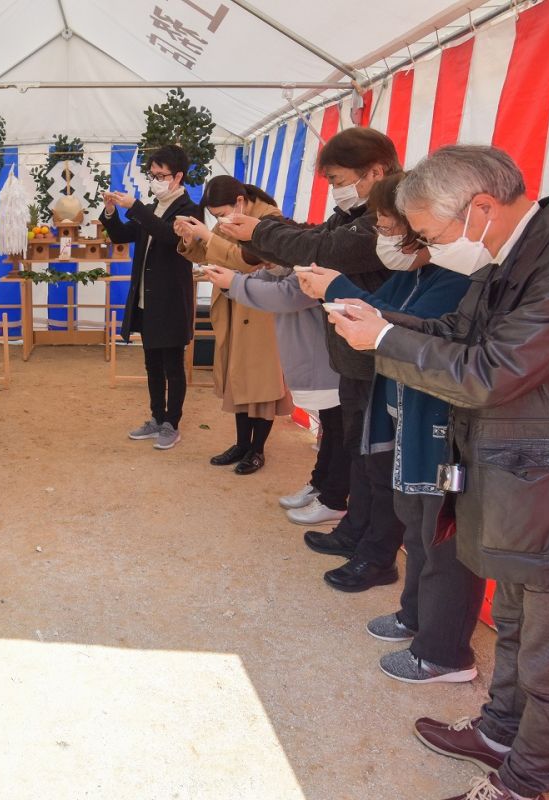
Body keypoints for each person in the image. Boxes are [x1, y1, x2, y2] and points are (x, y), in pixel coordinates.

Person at [328, 145, 549, 800]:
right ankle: (500, 729)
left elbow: (488, 373)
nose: (424, 245)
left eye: (429, 234)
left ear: (480, 208)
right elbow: (457, 330)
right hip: (531, 488)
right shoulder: (521, 255)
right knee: (513, 624)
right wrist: (384, 319)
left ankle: (521, 784)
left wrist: (384, 342)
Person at [298, 172, 481, 685]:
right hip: (407, 419)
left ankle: (444, 651)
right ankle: (416, 617)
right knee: (417, 527)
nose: (389, 243)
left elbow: (402, 327)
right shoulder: (421, 275)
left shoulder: (462, 279)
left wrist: (338, 290)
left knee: (441, 539)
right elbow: (390, 317)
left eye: (394, 230)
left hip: (440, 431)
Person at [224, 127, 405, 592]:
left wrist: (260, 230)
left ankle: (376, 552)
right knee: (359, 453)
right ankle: (355, 532)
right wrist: (258, 238)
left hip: (381, 354)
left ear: (377, 171)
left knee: (377, 459)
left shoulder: (386, 215)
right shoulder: (357, 211)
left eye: (338, 178)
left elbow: (324, 248)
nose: (334, 189)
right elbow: (316, 237)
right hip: (353, 351)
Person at [201, 261, 344, 519]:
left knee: (269, 390)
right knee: (332, 425)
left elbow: (288, 293)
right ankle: (320, 485)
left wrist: (234, 279)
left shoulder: (309, 250)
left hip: (271, 325)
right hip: (245, 311)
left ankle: (330, 496)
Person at [174, 177, 290, 474]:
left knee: (261, 382)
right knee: (237, 377)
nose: (219, 219)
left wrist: (209, 237)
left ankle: (257, 449)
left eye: (221, 212)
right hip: (234, 305)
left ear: (240, 200)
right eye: (213, 215)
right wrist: (190, 239)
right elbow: (209, 251)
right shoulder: (230, 217)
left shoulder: (270, 220)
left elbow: (248, 261)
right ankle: (241, 444)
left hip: (262, 309)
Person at [101, 144, 201, 450]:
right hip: (146, 298)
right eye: (152, 174)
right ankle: (156, 418)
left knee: (173, 365)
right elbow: (122, 235)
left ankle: (172, 423)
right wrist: (110, 210)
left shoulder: (189, 209)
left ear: (178, 177)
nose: (155, 179)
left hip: (171, 301)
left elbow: (170, 236)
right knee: (151, 364)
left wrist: (136, 207)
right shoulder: (153, 206)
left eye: (161, 174)